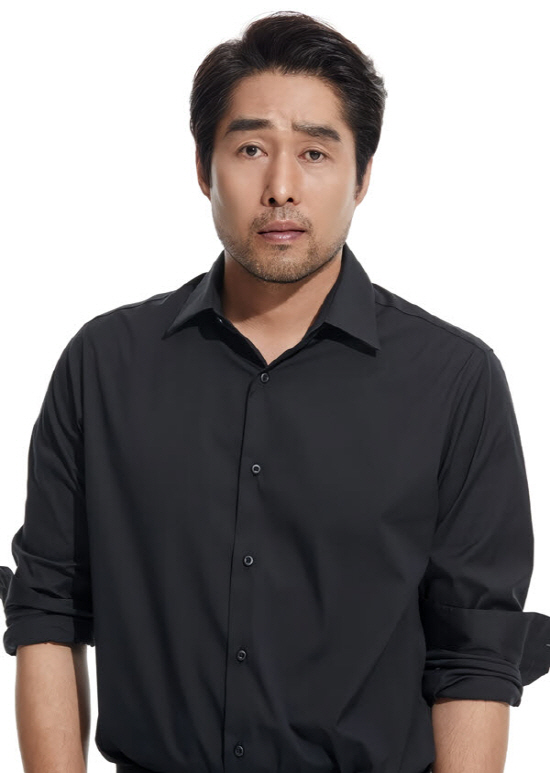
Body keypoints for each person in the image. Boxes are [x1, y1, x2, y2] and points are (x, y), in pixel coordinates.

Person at [1, 10, 549, 773]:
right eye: (251, 148)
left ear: (363, 175)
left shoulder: (456, 380)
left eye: (316, 152)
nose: (281, 187)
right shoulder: (103, 364)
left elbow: (474, 650)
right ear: (204, 168)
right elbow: (47, 609)